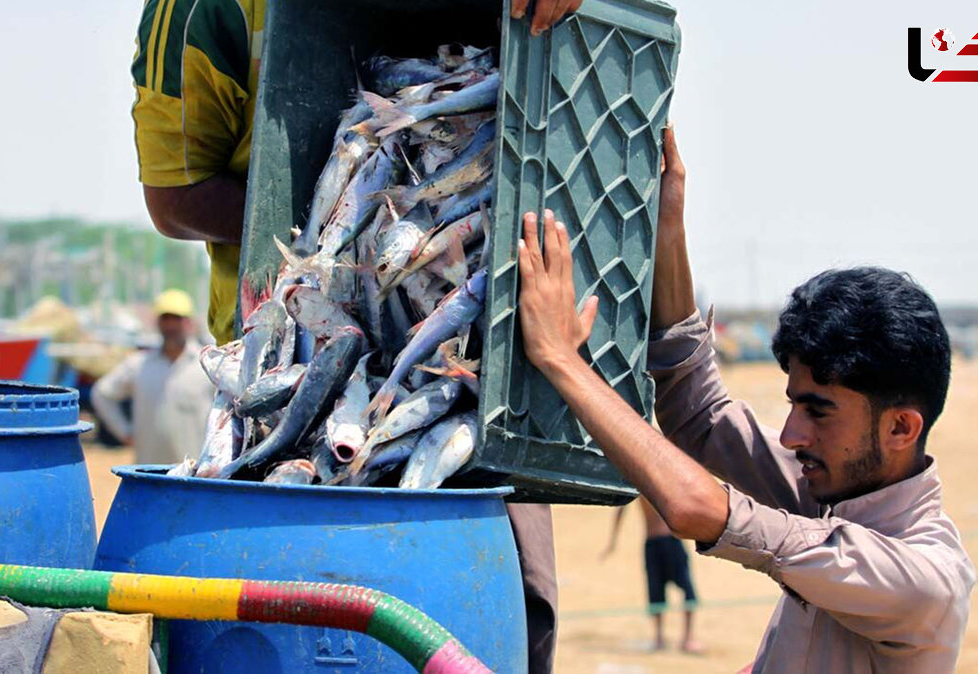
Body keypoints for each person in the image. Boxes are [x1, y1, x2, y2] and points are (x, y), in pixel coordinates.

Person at [130, 2, 581, 670]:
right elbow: (176, 195)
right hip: (291, 364)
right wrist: (340, 236)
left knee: (519, 614)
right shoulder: (205, 9)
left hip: (483, 377)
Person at [514, 128, 975, 672]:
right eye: (795, 406)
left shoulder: (921, 582)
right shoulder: (835, 489)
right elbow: (700, 416)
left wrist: (561, 360)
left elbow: (697, 507)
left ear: (901, 428)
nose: (790, 436)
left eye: (818, 412)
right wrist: (666, 224)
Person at [92, 290, 214, 466]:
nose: (171, 327)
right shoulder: (139, 365)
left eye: (177, 320)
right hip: (149, 475)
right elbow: (102, 393)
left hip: (196, 477)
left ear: (189, 323)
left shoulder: (207, 366)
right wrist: (124, 431)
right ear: (158, 323)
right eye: (166, 320)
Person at [603, 497, 703, 654]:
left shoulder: (662, 479)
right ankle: (659, 637)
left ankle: (687, 637)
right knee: (656, 592)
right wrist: (612, 541)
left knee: (687, 590)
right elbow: (621, 507)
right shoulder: (639, 483)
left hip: (670, 540)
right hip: (655, 542)